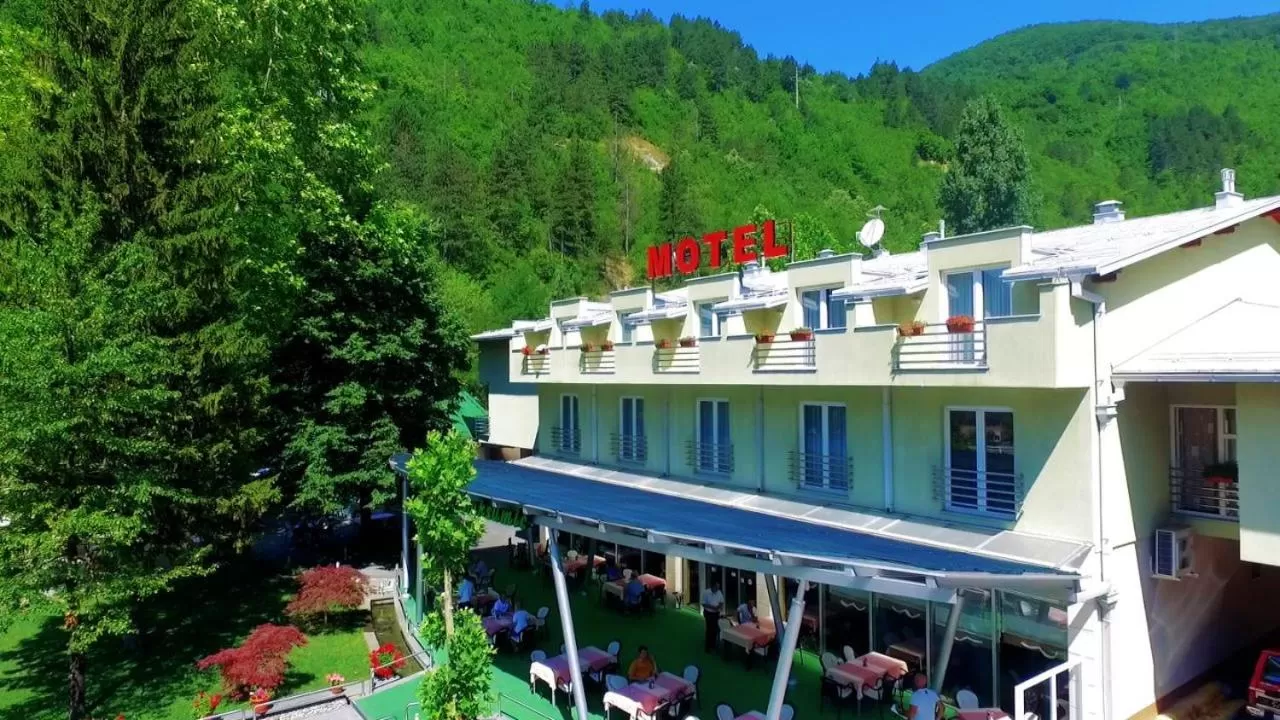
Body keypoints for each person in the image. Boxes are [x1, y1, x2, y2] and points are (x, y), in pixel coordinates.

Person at [700, 581, 725, 652]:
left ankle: (713, 645)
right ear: (713, 587)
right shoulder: (706, 593)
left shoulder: (719, 592)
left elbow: (721, 602)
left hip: (716, 613)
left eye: (718, 587)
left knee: (715, 629)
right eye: (717, 587)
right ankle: (707, 647)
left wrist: (718, 607)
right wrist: (712, 607)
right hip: (708, 613)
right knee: (709, 629)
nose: (718, 588)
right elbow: (703, 604)